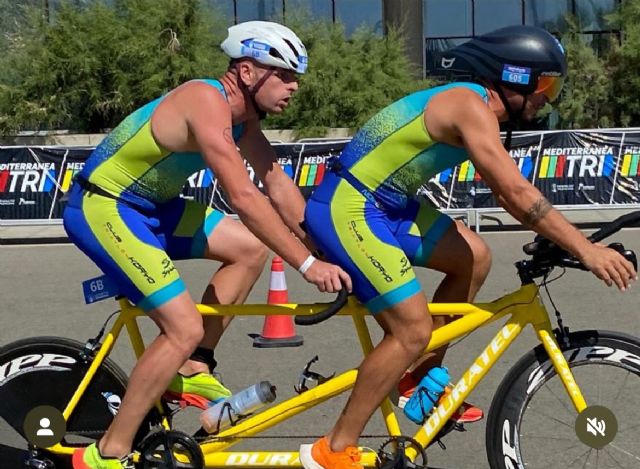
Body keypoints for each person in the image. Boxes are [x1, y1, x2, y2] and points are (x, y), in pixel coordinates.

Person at [300, 25, 637, 469]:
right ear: (512, 77)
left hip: (388, 205)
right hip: (350, 206)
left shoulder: (477, 107)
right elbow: (516, 194)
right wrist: (585, 251)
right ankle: (333, 449)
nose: (547, 99)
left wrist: (565, 239)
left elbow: (507, 194)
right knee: (411, 330)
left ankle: (420, 379)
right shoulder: (468, 105)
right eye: (545, 86)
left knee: (475, 256)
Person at [63, 21, 351, 469]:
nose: (293, 88)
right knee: (183, 326)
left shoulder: (245, 120)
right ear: (249, 72)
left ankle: (193, 368)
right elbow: (244, 197)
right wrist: (308, 265)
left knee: (250, 250)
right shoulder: (205, 100)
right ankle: (107, 453)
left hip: (153, 207)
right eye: (285, 75)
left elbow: (278, 186)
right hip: (106, 207)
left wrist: (327, 250)